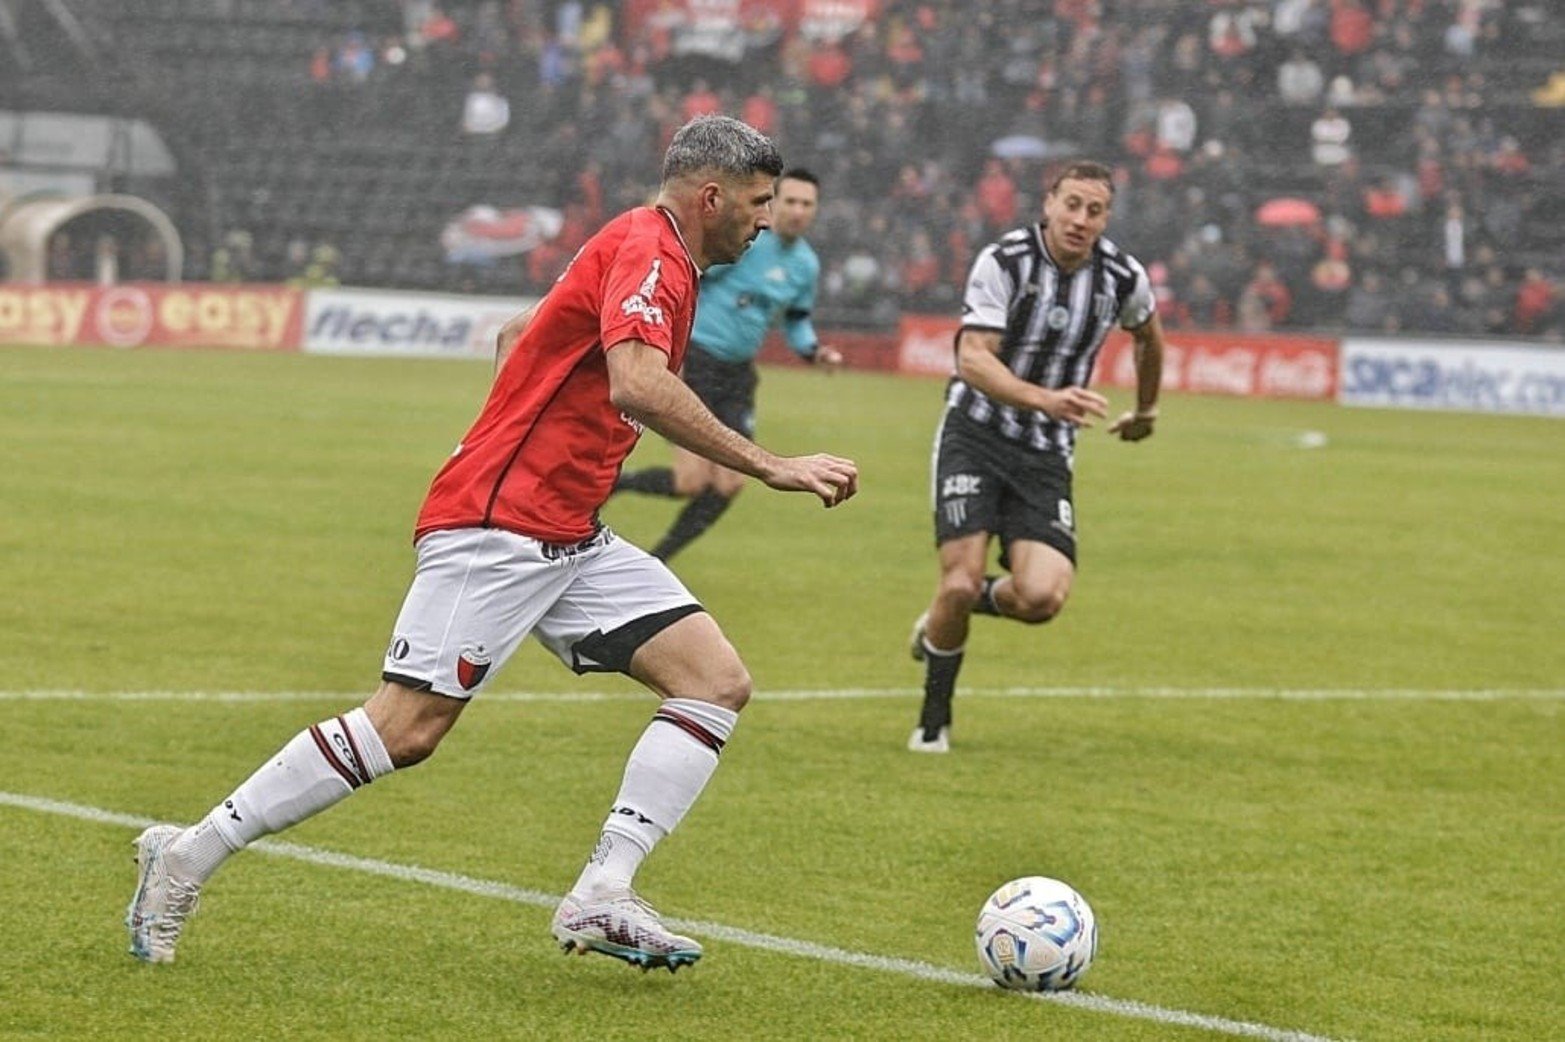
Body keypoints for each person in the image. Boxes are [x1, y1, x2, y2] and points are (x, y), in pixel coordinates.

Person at [125, 116, 859, 971]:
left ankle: (601, 894)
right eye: (759, 202)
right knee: (406, 727)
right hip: (501, 528)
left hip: (567, 530)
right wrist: (767, 463)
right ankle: (184, 857)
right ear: (711, 196)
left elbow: (521, 333)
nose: (765, 220)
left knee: (712, 682)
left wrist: (518, 431)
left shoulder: (641, 244)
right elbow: (636, 382)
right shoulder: (654, 255)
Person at [907, 160, 1165, 753]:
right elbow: (972, 358)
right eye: (1071, 204)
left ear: (1106, 218)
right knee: (960, 580)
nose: (1080, 219)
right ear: (1048, 203)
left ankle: (942, 616)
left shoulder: (1122, 277)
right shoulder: (1005, 262)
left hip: (1046, 454)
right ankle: (933, 722)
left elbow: (1150, 337)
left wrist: (1147, 411)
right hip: (975, 433)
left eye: (1094, 210)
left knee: (1042, 598)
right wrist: (1044, 398)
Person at [614, 168, 843, 561]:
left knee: (729, 483)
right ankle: (616, 485)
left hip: (737, 374)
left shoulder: (805, 264)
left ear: (815, 210)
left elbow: (795, 318)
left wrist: (814, 351)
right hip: (696, 361)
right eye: (790, 201)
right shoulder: (746, 242)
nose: (797, 211)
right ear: (774, 202)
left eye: (807, 204)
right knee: (691, 481)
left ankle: (659, 559)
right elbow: (691, 277)